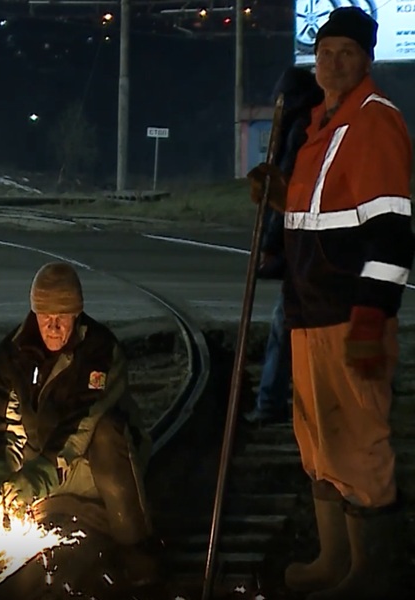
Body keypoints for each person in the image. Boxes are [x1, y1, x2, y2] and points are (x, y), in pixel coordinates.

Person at [248, 8, 413, 599]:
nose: (334, 62)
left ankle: (372, 574)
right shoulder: (322, 124)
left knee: (360, 443)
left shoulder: (375, 123)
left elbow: (392, 232)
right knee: (319, 441)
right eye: (325, 53)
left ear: (366, 59)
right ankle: (333, 560)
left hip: (349, 317)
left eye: (346, 52)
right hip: (308, 314)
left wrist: (371, 318)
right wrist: (277, 199)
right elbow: (317, 221)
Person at [0, 261, 159, 589]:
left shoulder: (101, 351)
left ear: (77, 315)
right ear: (34, 315)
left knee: (105, 432)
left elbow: (80, 425)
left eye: (63, 318)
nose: (54, 327)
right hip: (40, 468)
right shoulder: (11, 355)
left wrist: (38, 476)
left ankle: (136, 548)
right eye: (46, 318)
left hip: (92, 469)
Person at [244, 67, 324, 426]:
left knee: (286, 324)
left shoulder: (300, 131)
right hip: (320, 245)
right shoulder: (321, 124)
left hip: (304, 244)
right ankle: (283, 401)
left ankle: (272, 402)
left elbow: (286, 192)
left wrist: (271, 244)